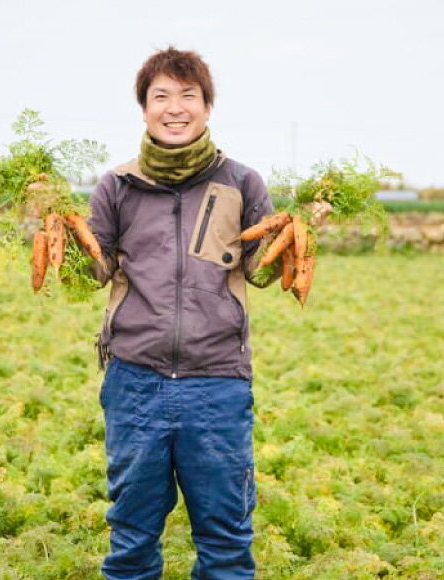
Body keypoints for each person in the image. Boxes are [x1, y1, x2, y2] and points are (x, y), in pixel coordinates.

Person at [85, 47, 281, 579]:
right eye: (161, 97)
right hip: (135, 382)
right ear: (144, 108)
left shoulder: (241, 184)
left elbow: (263, 270)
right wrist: (53, 226)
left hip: (217, 384)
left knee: (226, 542)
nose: (175, 108)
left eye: (188, 96)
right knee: (131, 541)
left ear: (207, 107)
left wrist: (303, 229)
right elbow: (91, 270)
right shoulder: (118, 186)